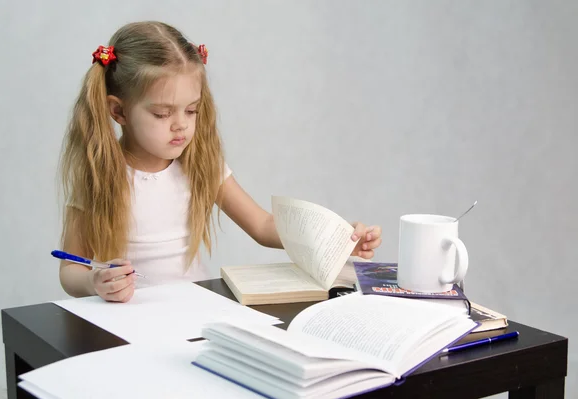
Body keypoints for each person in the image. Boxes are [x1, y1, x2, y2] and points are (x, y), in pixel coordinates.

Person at [58, 21, 382, 303]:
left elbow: (264, 226)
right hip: (126, 323)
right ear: (118, 111)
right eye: (162, 113)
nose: (181, 125)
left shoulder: (201, 166)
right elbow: (71, 268)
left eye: (191, 110)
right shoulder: (98, 175)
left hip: (193, 313)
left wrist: (338, 240)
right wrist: (93, 282)